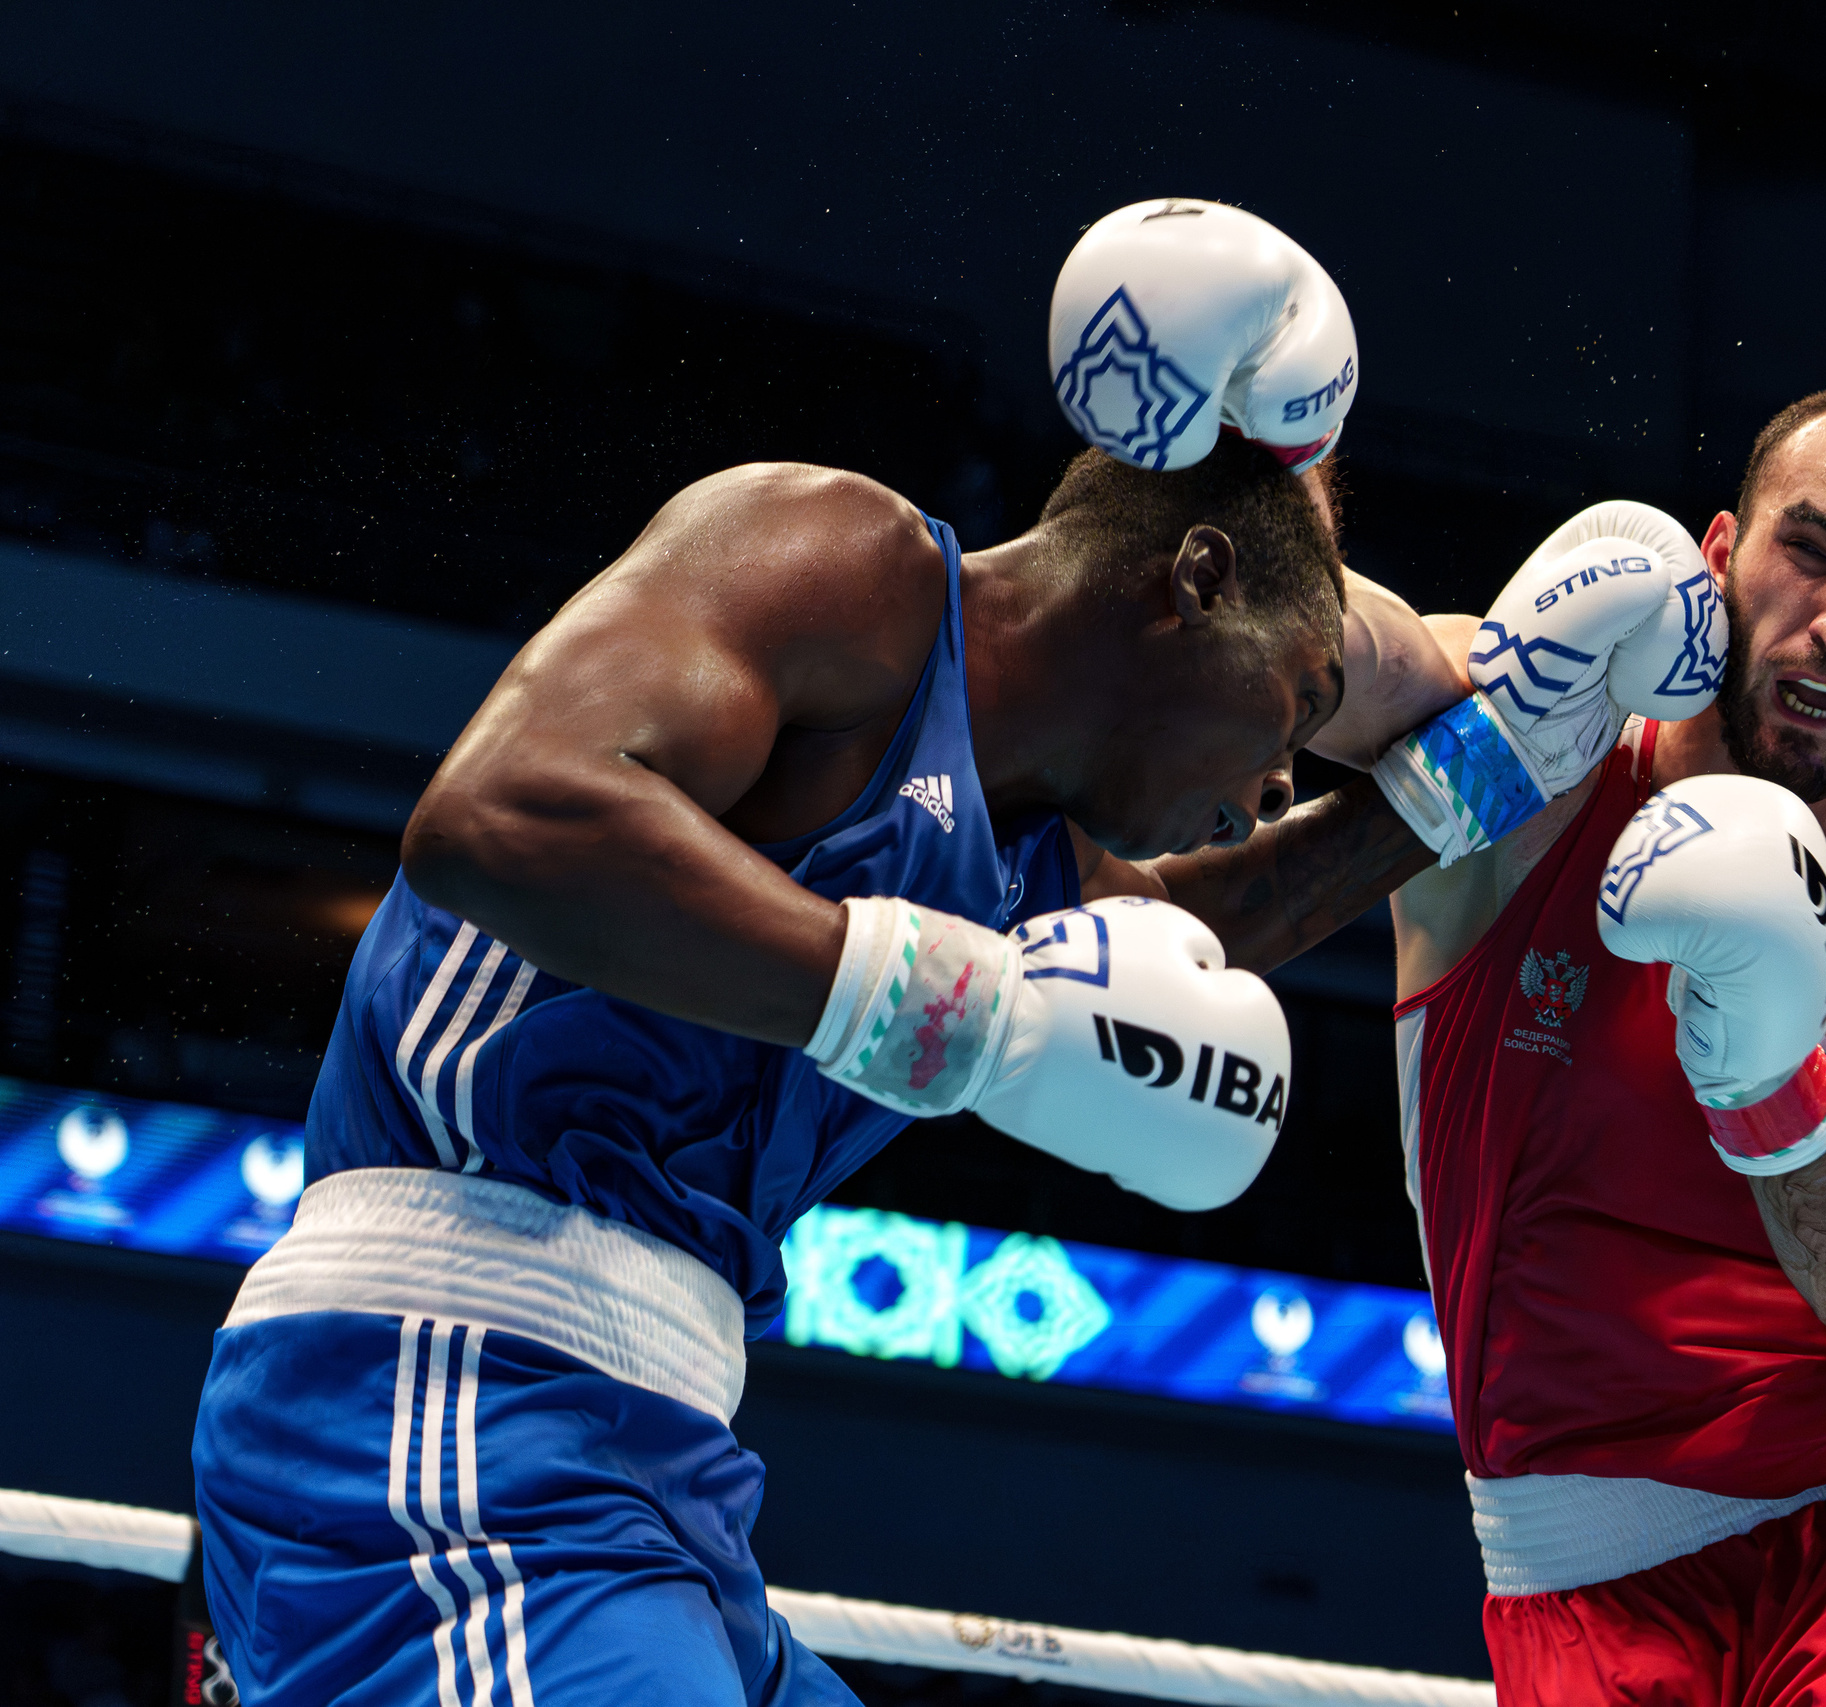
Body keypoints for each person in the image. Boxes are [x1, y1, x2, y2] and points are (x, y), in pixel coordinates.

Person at [191, 200, 1371, 1707]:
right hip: (447, 1369)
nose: (1281, 780)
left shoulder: (1035, 866)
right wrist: (928, 1010)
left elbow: (1224, 932)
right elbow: (498, 814)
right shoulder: (848, 567)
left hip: (663, 1457)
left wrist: (1504, 758)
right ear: (1195, 582)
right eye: (1300, 704)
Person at [1133, 384, 1826, 1703]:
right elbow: (1302, 642)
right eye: (1811, 550)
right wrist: (1220, 458)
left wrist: (1775, 1098)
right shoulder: (1534, 741)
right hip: (1559, 1585)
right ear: (1720, 554)